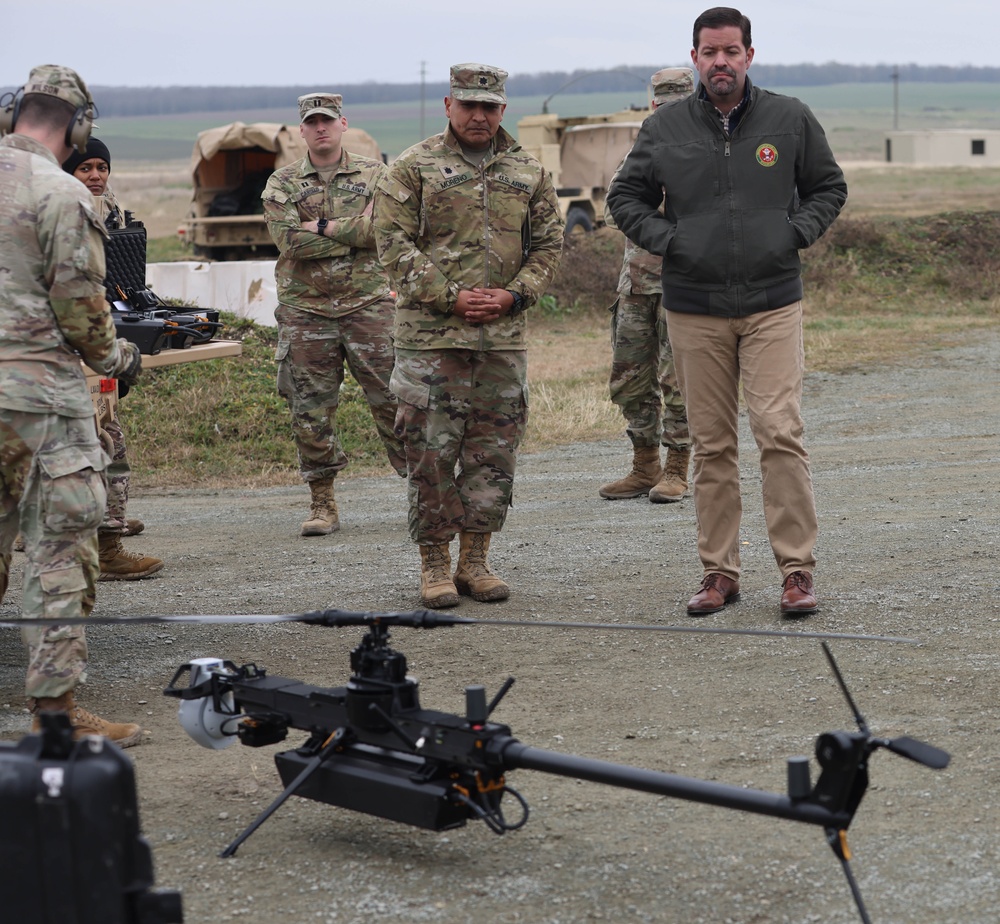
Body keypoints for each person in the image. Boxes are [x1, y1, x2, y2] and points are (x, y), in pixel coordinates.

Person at [606, 8, 847, 617]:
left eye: (731, 51)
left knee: (779, 434)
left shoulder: (789, 118)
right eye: (709, 52)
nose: (721, 62)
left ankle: (796, 571)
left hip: (772, 303)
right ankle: (719, 574)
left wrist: (792, 234)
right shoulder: (664, 128)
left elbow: (828, 187)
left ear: (748, 55)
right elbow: (625, 197)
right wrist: (672, 240)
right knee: (712, 446)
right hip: (694, 307)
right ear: (694, 58)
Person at [374, 63, 563, 608]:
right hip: (431, 340)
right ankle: (434, 563)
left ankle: (474, 562)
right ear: (448, 106)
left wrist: (515, 294)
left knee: (492, 452)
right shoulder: (413, 167)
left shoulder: (527, 170)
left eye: (489, 106)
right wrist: (449, 296)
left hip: (502, 340)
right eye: (468, 105)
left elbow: (550, 245)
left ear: (503, 109)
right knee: (430, 451)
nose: (478, 115)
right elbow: (391, 242)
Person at [0, 64, 145, 745]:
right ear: (78, 126)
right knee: (59, 552)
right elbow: (85, 317)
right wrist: (123, 360)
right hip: (38, 402)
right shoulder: (61, 194)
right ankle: (54, 715)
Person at [263, 92, 406, 537]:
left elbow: (381, 232)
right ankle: (322, 502)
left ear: (343, 124)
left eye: (328, 120)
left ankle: (425, 490)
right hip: (305, 311)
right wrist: (353, 231)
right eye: (312, 122)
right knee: (310, 409)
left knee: (396, 400)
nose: (321, 128)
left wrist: (321, 226)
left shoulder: (375, 174)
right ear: (301, 131)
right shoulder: (281, 183)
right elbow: (289, 243)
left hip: (368, 305)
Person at [63, 137, 164, 580]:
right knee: (102, 444)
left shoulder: (115, 215)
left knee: (106, 435)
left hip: (99, 340)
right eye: (85, 168)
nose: (96, 176)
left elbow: (125, 280)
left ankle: (108, 526)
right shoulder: (58, 221)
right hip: (69, 349)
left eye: (101, 167)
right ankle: (105, 545)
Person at [600, 67, 694, 504]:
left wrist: (648, 210)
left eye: (678, 105)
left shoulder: (706, 151)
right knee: (630, 380)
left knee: (681, 382)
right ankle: (644, 465)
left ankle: (678, 468)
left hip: (685, 285)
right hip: (636, 287)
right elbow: (612, 208)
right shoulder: (641, 150)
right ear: (653, 106)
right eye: (663, 105)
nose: (668, 112)